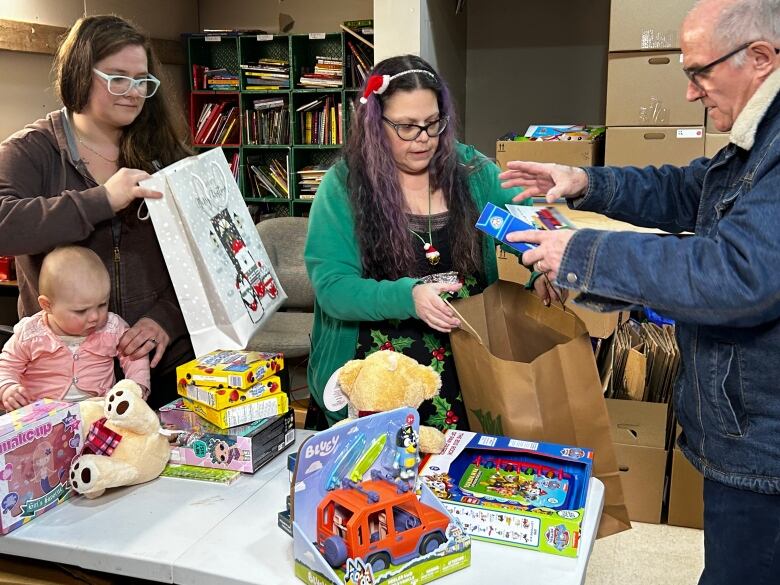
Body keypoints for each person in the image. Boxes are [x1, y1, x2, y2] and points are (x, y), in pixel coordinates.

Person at [499, 0, 780, 582]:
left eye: (699, 72)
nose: (689, 93)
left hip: (765, 446)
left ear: (759, 57)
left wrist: (582, 254)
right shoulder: (760, 139)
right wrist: (585, 182)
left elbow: (735, 275)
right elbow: (690, 189)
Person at [305, 55, 553, 430]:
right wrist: (409, 297)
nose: (423, 138)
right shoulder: (344, 186)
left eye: (433, 123)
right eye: (405, 126)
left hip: (466, 371)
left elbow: (528, 231)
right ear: (375, 123)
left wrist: (541, 269)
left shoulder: (475, 173)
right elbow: (334, 289)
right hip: (378, 382)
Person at [0, 15, 194, 409]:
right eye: (118, 78)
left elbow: (199, 258)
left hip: (161, 368)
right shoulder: (30, 150)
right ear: (80, 74)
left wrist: (166, 319)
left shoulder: (165, 153)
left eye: (143, 80)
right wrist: (101, 200)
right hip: (63, 388)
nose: (133, 92)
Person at [0, 246, 150, 411]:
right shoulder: (30, 333)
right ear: (47, 305)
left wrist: (137, 386)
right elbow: (6, 366)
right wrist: (7, 388)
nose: (95, 316)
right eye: (81, 311)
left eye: (102, 305)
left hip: (98, 416)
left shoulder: (112, 328)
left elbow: (134, 355)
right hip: (41, 421)